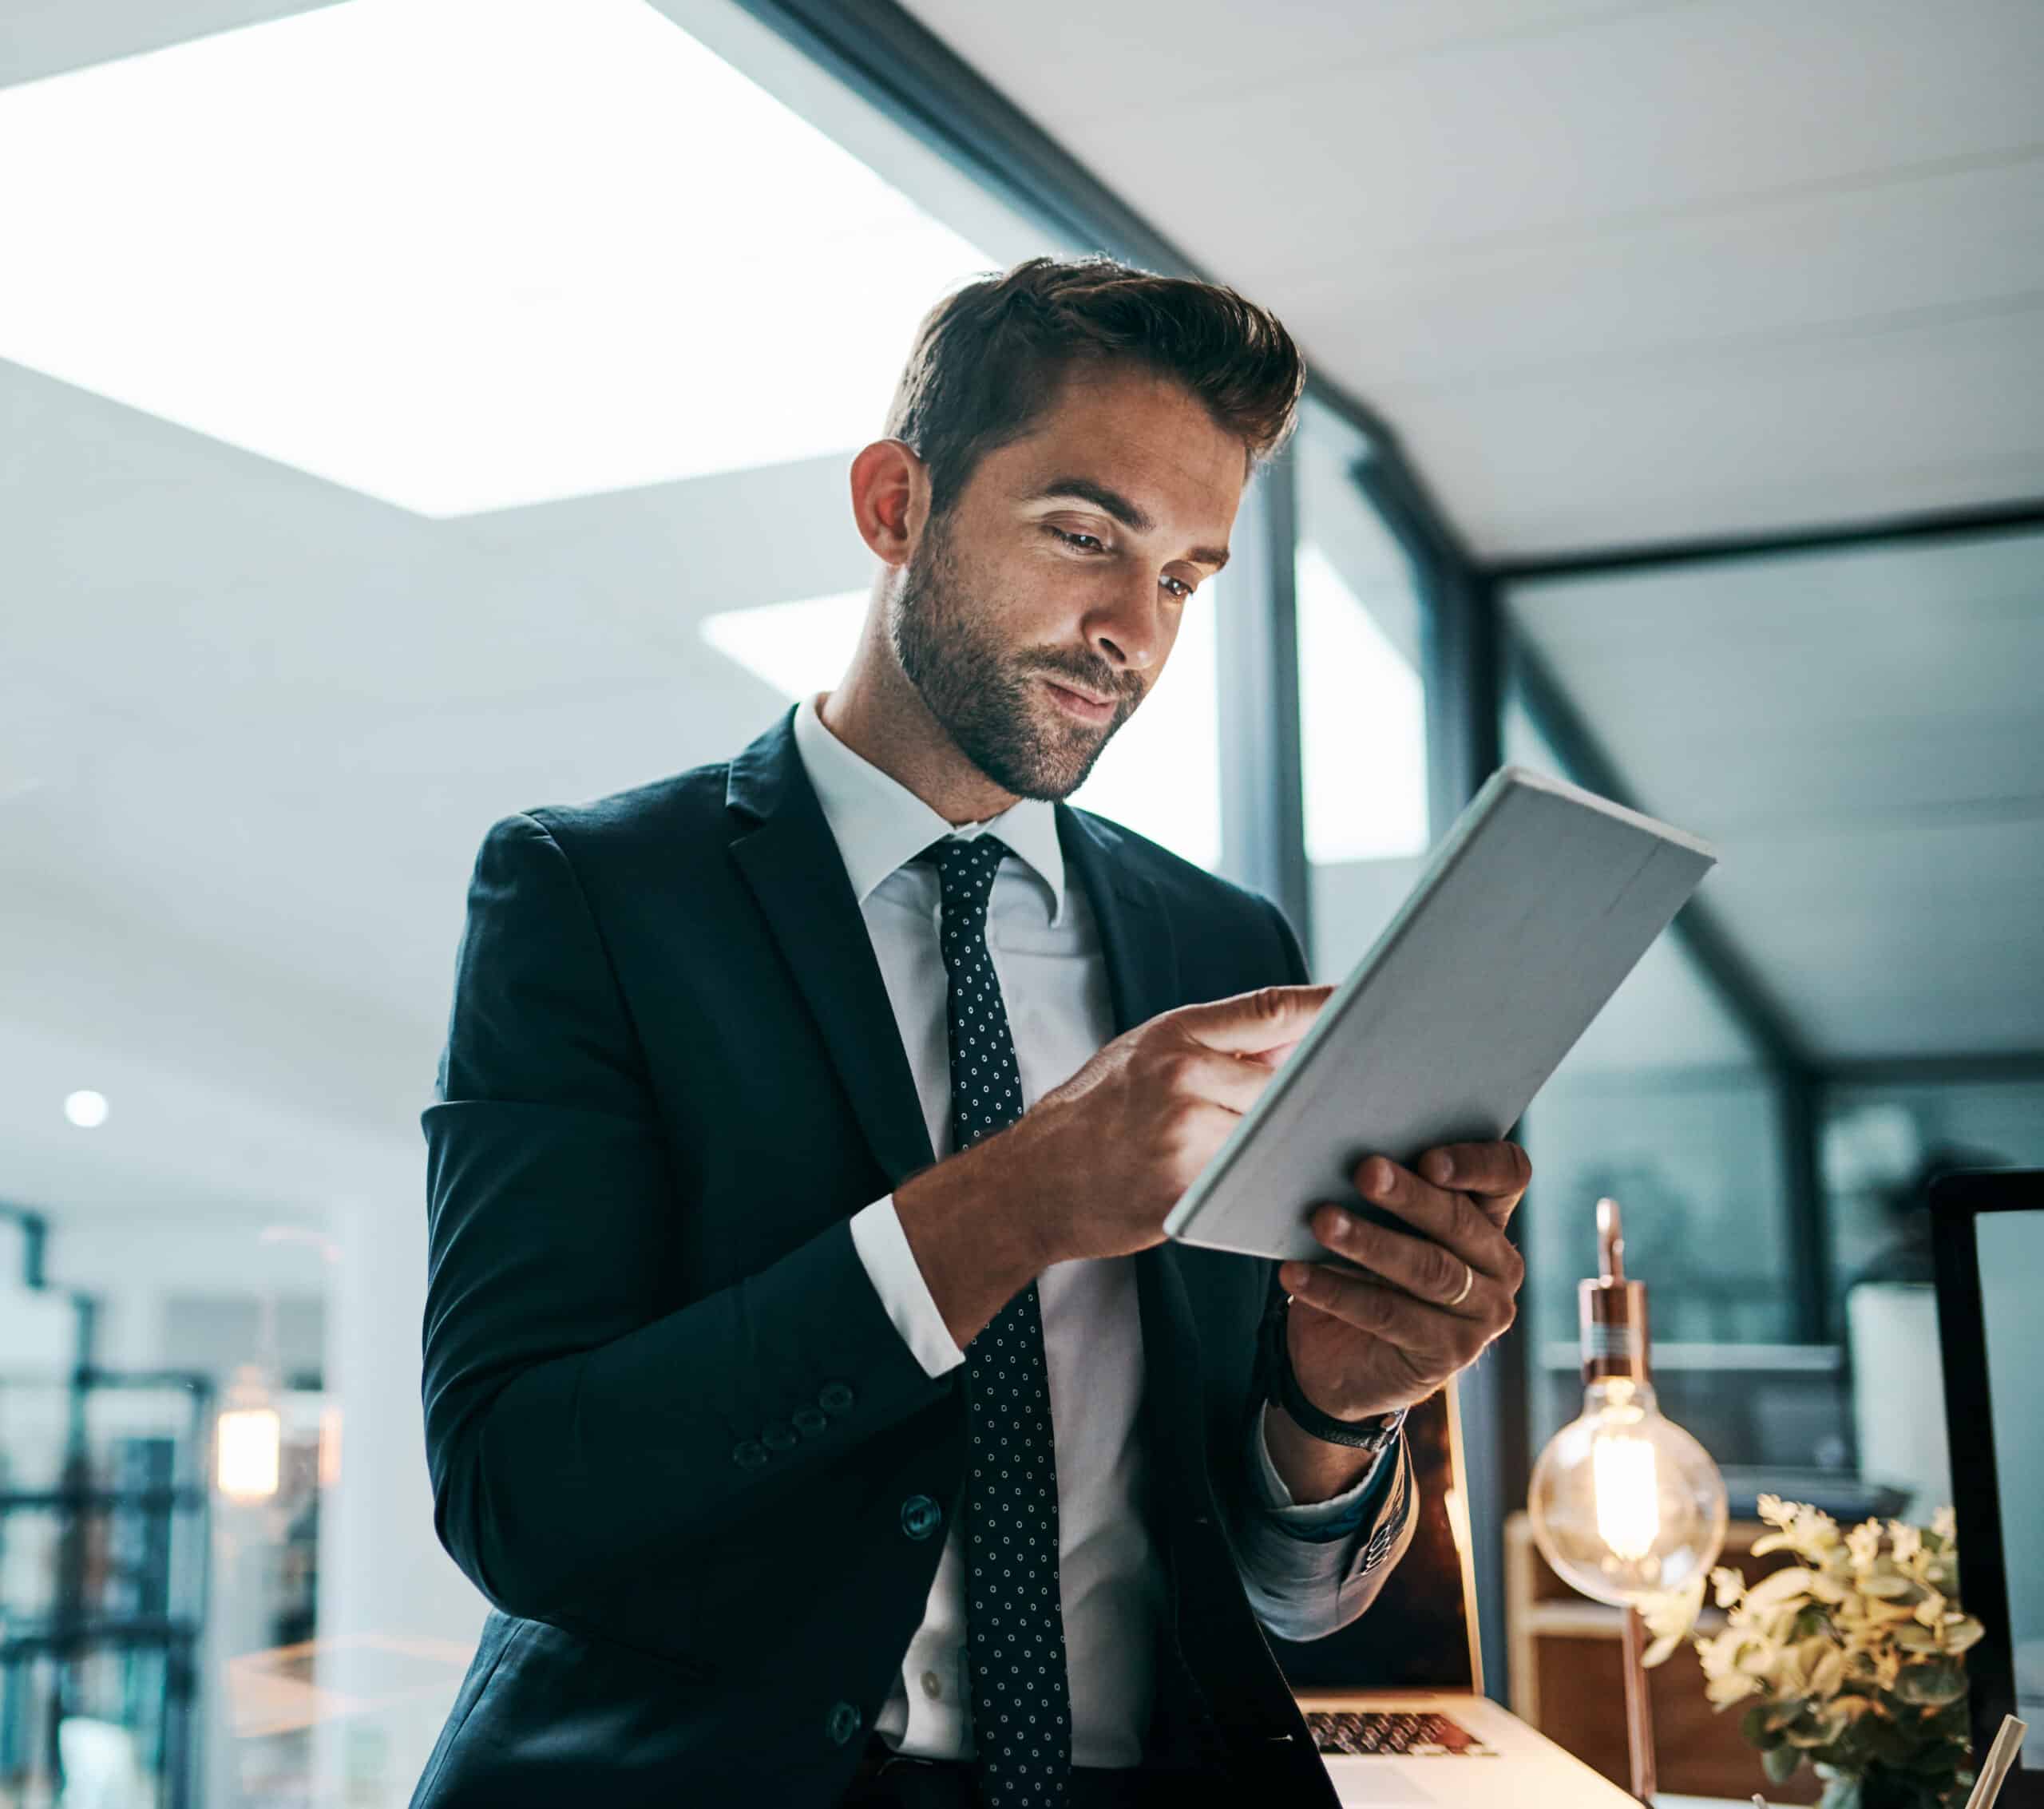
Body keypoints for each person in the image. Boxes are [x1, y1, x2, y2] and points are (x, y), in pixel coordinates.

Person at [410, 255, 1529, 1809]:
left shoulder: (1222, 951)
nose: (1131, 630)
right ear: (893, 504)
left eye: (1186, 576)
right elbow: (513, 1493)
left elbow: (1283, 1595)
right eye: (1085, 534)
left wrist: (1326, 1415)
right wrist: (1008, 1203)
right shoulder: (592, 894)